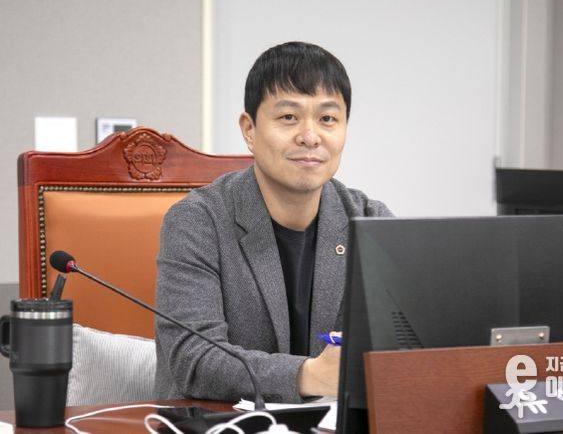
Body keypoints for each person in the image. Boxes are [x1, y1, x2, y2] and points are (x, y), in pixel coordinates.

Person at [154, 41, 392, 403]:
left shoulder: (370, 221)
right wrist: (308, 375)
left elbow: (403, 345)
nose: (310, 137)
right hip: (221, 423)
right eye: (288, 117)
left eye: (328, 119)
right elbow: (194, 359)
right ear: (249, 130)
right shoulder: (197, 222)